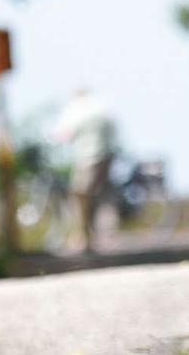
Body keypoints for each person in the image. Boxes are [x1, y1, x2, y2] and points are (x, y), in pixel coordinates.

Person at [53, 89, 119, 253]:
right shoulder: (101, 107)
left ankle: (84, 237)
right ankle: (92, 236)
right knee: (98, 196)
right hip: (107, 155)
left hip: (88, 157)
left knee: (80, 195)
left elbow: (67, 133)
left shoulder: (78, 110)